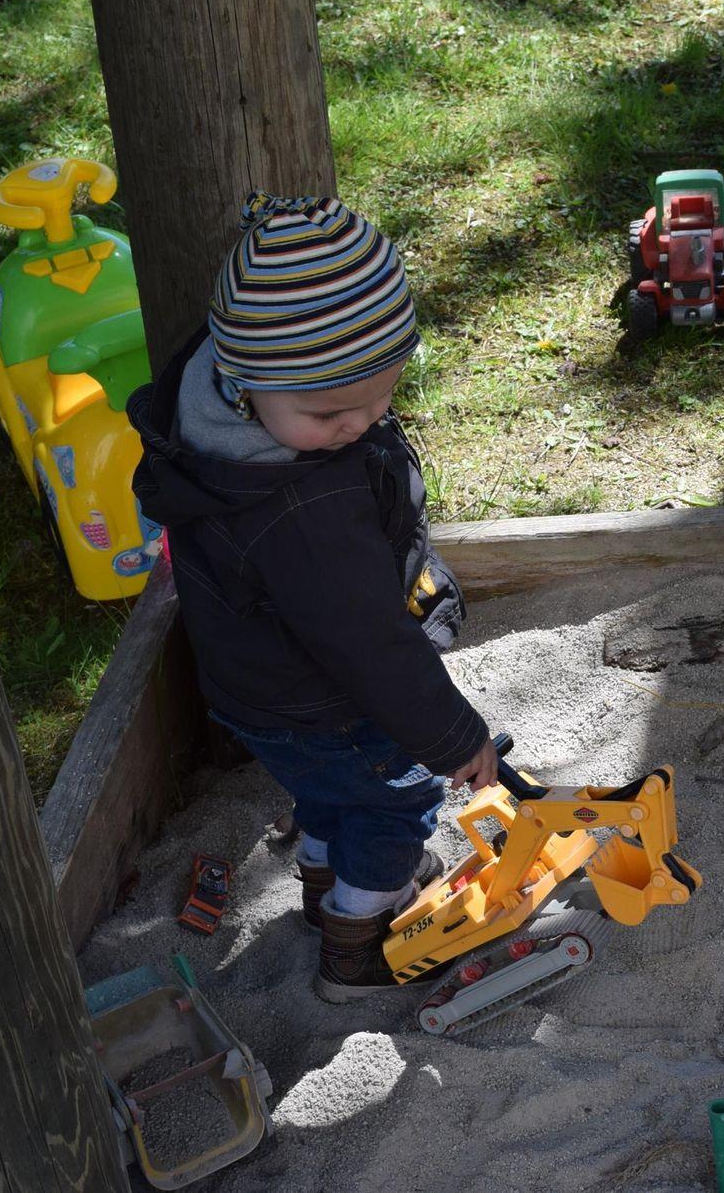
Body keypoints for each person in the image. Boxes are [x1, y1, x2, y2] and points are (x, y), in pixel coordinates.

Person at [129, 194, 495, 1003]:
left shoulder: (212, 411)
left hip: (261, 689)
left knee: (330, 793)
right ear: (248, 382)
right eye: (329, 411)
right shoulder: (303, 508)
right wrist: (452, 734)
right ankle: (358, 947)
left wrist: (328, 414)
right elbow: (367, 642)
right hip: (326, 697)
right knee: (395, 803)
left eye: (382, 394)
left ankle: (325, 890)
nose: (359, 424)